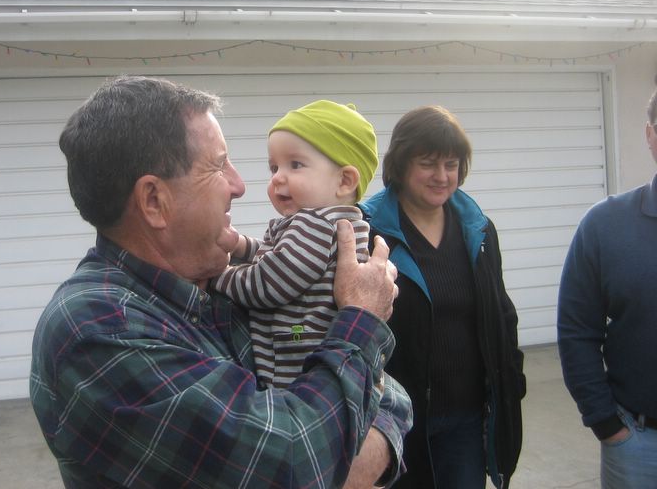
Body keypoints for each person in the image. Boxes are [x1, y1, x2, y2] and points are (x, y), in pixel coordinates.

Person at [29, 75, 413, 489]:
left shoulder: (205, 289)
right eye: (218, 165)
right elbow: (295, 462)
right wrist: (361, 320)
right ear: (154, 201)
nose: (240, 185)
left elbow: (388, 397)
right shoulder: (99, 328)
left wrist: (358, 404)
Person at [359, 105, 526, 489]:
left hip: (466, 421)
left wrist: (511, 381)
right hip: (392, 422)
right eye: (428, 164)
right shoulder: (366, 230)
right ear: (400, 164)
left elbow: (501, 313)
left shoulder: (478, 230)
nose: (442, 176)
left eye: (451, 165)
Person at [214, 100, 383, 389]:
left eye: (295, 164)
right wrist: (243, 246)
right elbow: (283, 257)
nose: (278, 177)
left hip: (296, 358)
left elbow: (271, 282)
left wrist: (219, 275)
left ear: (344, 181)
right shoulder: (331, 223)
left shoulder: (316, 223)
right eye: (274, 167)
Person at [557, 88, 657, 489]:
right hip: (638, 446)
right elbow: (576, 330)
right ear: (650, 134)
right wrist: (605, 423)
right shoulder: (605, 224)